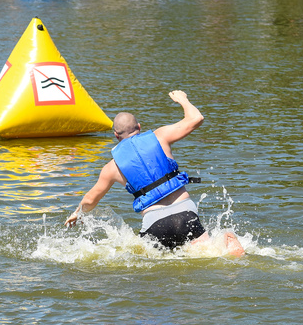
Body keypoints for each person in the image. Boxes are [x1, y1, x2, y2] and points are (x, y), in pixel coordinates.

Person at [65, 90, 245, 256]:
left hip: (155, 223)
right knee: (209, 251)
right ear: (139, 126)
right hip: (186, 212)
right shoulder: (160, 136)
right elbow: (196, 118)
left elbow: (90, 200)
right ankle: (226, 239)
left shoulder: (111, 167)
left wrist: (77, 212)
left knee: (142, 258)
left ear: (116, 135)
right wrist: (182, 99)